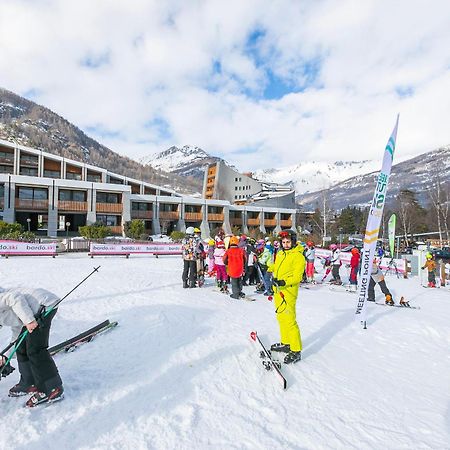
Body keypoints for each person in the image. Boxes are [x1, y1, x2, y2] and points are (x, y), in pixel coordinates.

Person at [0, 288, 64, 407]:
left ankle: (51, 388)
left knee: (35, 350)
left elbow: (14, 297)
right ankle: (29, 383)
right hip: (31, 311)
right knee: (21, 347)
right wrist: (5, 356)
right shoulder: (5, 313)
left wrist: (29, 321)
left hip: (44, 305)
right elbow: (18, 330)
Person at [268, 230, 305, 364]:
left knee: (290, 321)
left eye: (288, 242)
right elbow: (277, 266)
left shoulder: (298, 256)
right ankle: (286, 343)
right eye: (283, 242)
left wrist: (284, 281)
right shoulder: (281, 253)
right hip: (278, 291)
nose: (286, 244)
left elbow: (297, 276)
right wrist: (269, 267)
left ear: (293, 241)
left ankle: (296, 349)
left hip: (288, 292)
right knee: (281, 318)